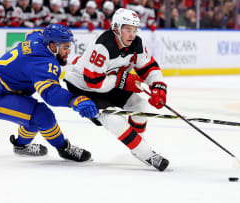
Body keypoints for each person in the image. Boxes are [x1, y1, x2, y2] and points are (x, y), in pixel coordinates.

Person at [0, 24, 98, 162]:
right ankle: (64, 149)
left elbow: (33, 32)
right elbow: (50, 93)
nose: (68, 52)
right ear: (52, 46)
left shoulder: (38, 38)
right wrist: (75, 100)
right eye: (65, 47)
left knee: (32, 115)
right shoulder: (44, 63)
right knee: (42, 115)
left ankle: (21, 146)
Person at [63, 8, 169, 171]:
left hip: (109, 82)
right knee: (112, 118)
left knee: (139, 105)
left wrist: (158, 87)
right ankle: (146, 153)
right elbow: (93, 82)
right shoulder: (103, 46)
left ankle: (137, 146)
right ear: (116, 28)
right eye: (127, 29)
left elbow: (149, 67)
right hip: (82, 86)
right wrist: (122, 79)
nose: (132, 34)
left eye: (134, 30)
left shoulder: (137, 43)